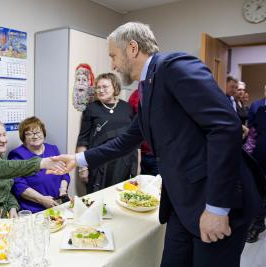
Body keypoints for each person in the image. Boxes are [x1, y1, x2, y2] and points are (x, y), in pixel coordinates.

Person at [49, 22, 262, 267]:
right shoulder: (148, 85)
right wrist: (78, 159)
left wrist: (217, 208)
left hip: (212, 199)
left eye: (113, 55)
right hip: (182, 205)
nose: (113, 65)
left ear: (132, 48)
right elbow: (128, 139)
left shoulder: (175, 67)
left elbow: (225, 127)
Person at [0, 119, 65, 225]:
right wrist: (40, 163)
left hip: (0, 215)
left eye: (4, 135)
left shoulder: (0, 157)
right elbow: (3, 168)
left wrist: (13, 207)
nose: (4, 140)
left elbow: (6, 189)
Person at [76, 73, 137, 193]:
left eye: (105, 87)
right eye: (98, 87)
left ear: (115, 87)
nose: (100, 90)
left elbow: (135, 139)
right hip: (99, 164)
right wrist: (82, 168)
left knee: (121, 199)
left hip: (124, 165)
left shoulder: (127, 108)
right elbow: (83, 141)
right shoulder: (91, 109)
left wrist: (137, 166)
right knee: (98, 202)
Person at [8, 117, 70, 213]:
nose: (35, 136)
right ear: (23, 137)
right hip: (34, 210)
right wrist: (42, 200)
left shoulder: (53, 149)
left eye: (38, 132)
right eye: (30, 134)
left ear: (43, 133)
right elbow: (18, 186)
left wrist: (63, 191)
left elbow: (64, 172)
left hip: (58, 204)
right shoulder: (17, 154)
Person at [244, 106, 266, 243]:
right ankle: (258, 223)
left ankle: (258, 224)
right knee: (260, 191)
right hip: (259, 157)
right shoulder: (262, 110)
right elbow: (253, 132)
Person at [128, 89, 158, 175]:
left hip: (160, 155)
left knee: (158, 186)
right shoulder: (135, 95)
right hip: (140, 154)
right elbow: (130, 124)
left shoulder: (165, 91)